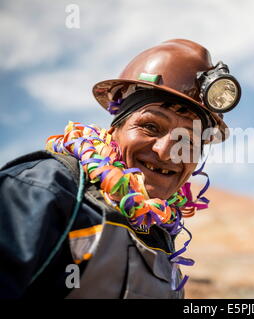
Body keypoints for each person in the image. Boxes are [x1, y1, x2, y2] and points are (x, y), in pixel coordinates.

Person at [0, 39, 240, 299]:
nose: (165, 151)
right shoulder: (45, 189)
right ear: (114, 130)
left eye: (188, 141)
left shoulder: (161, 240)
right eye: (150, 126)